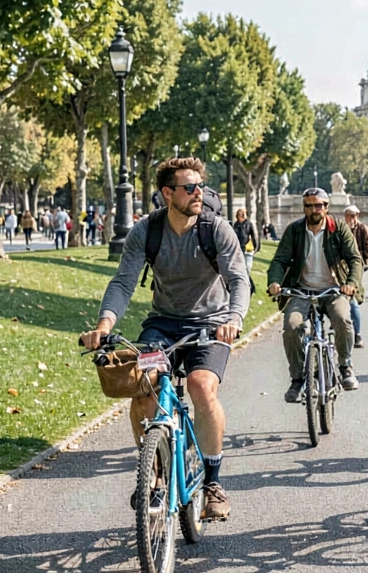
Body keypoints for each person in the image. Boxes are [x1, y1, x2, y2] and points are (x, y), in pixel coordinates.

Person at [81, 157, 249, 521]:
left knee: (201, 385)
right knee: (143, 387)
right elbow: (124, 282)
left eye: (200, 186)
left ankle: (213, 482)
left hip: (211, 323)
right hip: (163, 324)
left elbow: (238, 280)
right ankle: (151, 474)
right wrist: (104, 325)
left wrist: (234, 318)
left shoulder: (216, 228)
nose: (198, 193)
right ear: (167, 193)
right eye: (189, 187)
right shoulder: (147, 230)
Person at [268, 188, 364, 401]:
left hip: (333, 290)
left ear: (326, 207)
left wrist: (350, 283)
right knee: (292, 327)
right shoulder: (294, 230)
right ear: (304, 208)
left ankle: (345, 365)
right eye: (309, 205)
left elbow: (354, 259)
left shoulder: (338, 229)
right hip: (301, 290)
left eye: (318, 205)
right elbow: (279, 260)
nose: (314, 209)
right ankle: (297, 379)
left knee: (342, 319)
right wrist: (274, 282)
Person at [342, 205, 368, 348]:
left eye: (354, 216)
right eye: (349, 215)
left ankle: (357, 334)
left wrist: (365, 265)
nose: (352, 219)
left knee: (353, 301)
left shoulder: (362, 229)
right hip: (340, 269)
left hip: (356, 268)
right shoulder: (340, 229)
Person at [231, 207, 260, 272]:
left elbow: (254, 236)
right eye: (241, 214)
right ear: (237, 216)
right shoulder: (235, 225)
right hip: (238, 249)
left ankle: (246, 280)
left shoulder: (249, 224)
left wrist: (256, 247)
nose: (243, 216)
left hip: (247, 249)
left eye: (244, 214)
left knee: (247, 267)